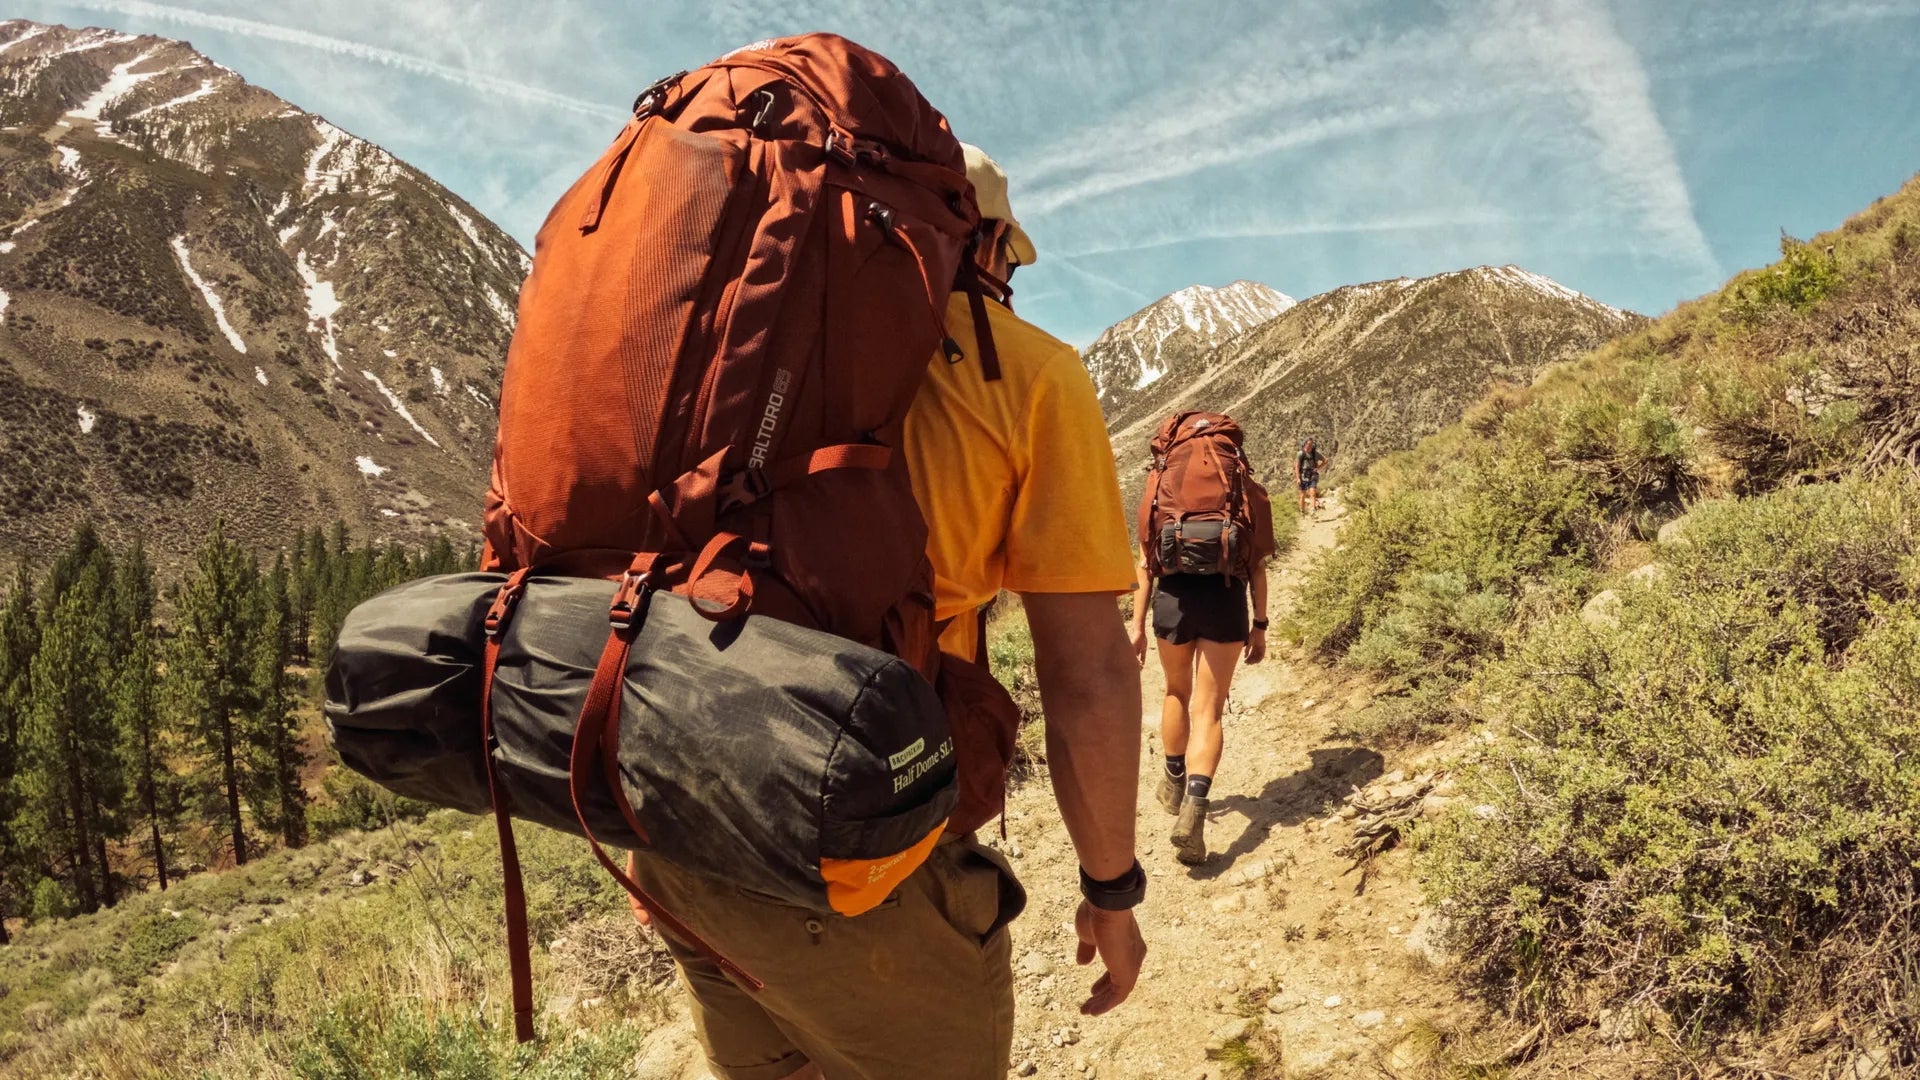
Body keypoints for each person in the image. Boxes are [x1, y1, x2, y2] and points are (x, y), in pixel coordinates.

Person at [624, 145, 1148, 1080]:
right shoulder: (1025, 375)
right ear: (976, 239)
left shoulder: (714, 353)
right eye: (1011, 257)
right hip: (868, 839)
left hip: (681, 817)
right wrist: (1111, 886)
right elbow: (1087, 674)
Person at [1127, 487, 1273, 867]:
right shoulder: (1242, 487)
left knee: (1176, 691)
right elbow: (1257, 566)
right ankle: (1194, 804)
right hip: (1225, 601)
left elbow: (1144, 562)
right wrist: (1259, 623)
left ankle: (1174, 777)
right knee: (1208, 709)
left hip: (1173, 598)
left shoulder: (1161, 486)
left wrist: (1136, 625)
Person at [1295, 437, 1331, 514]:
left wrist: (1317, 468)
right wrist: (1298, 478)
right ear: (1305, 444)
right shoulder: (1300, 454)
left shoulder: (1315, 453)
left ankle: (1312, 510)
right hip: (1303, 475)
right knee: (1302, 494)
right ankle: (1302, 511)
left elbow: (1325, 460)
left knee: (1313, 492)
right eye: (1308, 444)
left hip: (1312, 475)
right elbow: (1297, 466)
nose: (1310, 445)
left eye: (1311, 444)